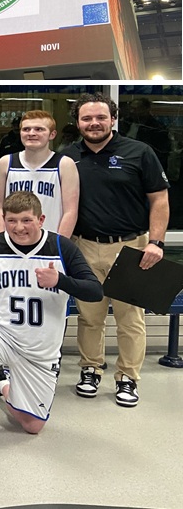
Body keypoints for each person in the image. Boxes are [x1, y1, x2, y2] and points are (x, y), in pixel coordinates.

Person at [0, 191, 103, 452]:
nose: (18, 228)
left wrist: (60, 281)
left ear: (41, 219)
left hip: (39, 347)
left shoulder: (61, 248)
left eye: (26, 220)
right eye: (11, 220)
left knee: (31, 425)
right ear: (3, 219)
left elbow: (95, 291)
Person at [60, 93, 170, 407]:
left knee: (130, 318)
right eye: (86, 118)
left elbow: (159, 200)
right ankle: (91, 369)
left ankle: (128, 378)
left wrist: (156, 242)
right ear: (78, 122)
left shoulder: (140, 152)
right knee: (89, 316)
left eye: (100, 117)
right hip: (83, 246)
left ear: (113, 118)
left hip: (132, 247)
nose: (93, 123)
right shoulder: (67, 157)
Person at [0, 110, 79, 237]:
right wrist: (1, 239)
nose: (31, 133)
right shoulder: (6, 162)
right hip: (13, 242)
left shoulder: (64, 164)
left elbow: (70, 211)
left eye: (39, 129)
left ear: (52, 134)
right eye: (26, 129)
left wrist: (59, 245)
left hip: (50, 242)